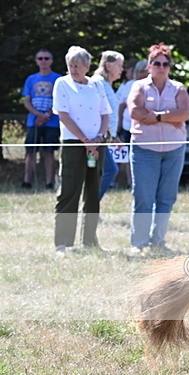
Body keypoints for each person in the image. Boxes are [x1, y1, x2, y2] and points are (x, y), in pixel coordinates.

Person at [127, 43, 189, 255]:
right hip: (145, 149)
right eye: (156, 63)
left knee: (166, 197)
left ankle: (158, 240)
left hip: (174, 149)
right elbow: (136, 111)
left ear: (169, 67)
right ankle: (139, 243)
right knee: (144, 196)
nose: (161, 67)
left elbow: (184, 114)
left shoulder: (179, 88)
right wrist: (170, 117)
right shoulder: (138, 87)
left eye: (165, 64)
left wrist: (157, 116)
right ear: (149, 65)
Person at [52, 46, 111, 256]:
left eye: (77, 65)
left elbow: (105, 114)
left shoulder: (96, 85)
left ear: (87, 66)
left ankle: (90, 241)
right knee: (69, 191)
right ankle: (63, 243)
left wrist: (99, 138)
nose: (74, 69)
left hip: (97, 145)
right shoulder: (62, 83)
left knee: (93, 192)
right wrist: (85, 141)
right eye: (70, 65)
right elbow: (63, 115)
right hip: (73, 144)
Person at [21, 48, 61, 190]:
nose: (43, 61)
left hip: (52, 122)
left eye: (46, 58)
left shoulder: (58, 79)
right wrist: (38, 114)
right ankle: (27, 182)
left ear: (51, 60)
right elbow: (26, 100)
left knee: (49, 152)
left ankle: (49, 182)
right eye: (40, 58)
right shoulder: (31, 79)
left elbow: (60, 100)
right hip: (33, 121)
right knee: (30, 152)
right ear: (36, 61)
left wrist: (47, 115)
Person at [91, 50, 124, 200]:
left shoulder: (106, 84)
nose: (122, 69)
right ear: (109, 66)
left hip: (104, 137)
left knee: (105, 171)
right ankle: (91, 206)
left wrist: (113, 137)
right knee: (110, 170)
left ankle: (90, 206)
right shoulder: (98, 82)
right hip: (95, 137)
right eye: (119, 65)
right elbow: (95, 110)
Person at [116, 59, 148, 188]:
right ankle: (131, 182)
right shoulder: (131, 85)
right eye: (142, 71)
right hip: (128, 126)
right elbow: (122, 105)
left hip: (146, 126)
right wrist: (118, 124)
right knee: (130, 155)